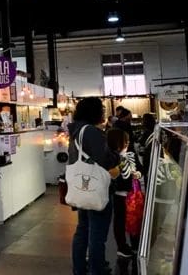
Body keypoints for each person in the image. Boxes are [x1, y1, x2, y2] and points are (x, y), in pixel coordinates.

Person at [69, 97, 121, 275]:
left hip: (82, 188)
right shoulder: (90, 131)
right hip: (97, 189)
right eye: (102, 109)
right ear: (94, 111)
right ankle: (97, 269)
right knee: (97, 234)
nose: (104, 112)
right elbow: (104, 160)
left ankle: (79, 269)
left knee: (83, 229)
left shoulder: (76, 130)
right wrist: (117, 155)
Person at [106, 128, 141, 259]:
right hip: (119, 194)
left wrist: (138, 173)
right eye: (124, 141)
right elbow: (112, 175)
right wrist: (122, 165)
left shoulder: (131, 153)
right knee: (120, 220)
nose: (127, 143)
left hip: (134, 192)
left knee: (135, 218)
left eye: (128, 141)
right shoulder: (111, 156)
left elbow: (140, 167)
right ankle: (122, 246)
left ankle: (136, 244)